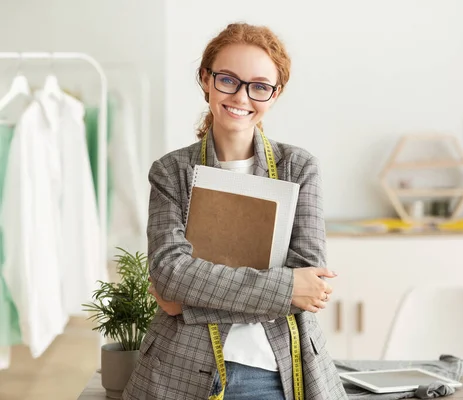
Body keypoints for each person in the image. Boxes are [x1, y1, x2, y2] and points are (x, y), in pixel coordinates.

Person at [122, 22, 348, 400]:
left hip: (275, 375)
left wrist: (187, 304)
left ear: (275, 95)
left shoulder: (299, 167)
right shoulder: (170, 172)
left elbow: (309, 285)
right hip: (177, 370)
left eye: (259, 86)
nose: (241, 97)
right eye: (228, 79)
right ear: (206, 78)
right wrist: (285, 287)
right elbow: (169, 274)